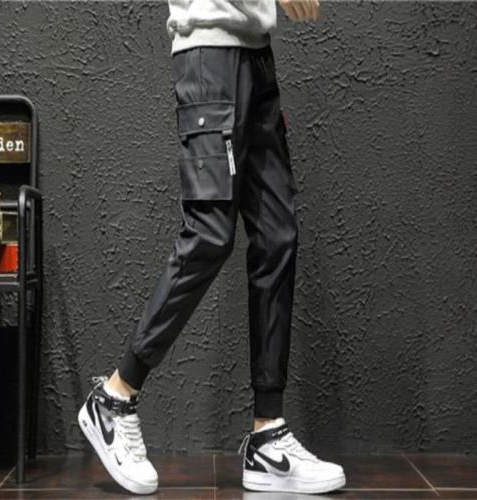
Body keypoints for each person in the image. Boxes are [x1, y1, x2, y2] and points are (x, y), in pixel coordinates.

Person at [78, 0, 346, 495]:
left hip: (256, 53)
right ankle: (114, 397)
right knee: (210, 232)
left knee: (277, 235)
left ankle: (267, 437)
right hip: (209, 56)